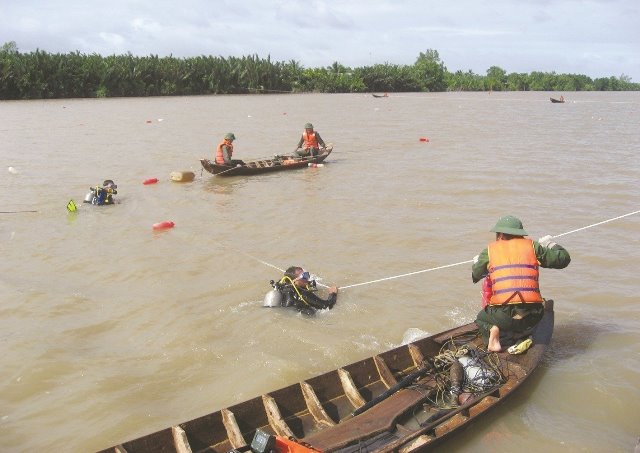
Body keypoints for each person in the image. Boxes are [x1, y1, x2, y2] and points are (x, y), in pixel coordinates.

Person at [472, 215, 570, 352]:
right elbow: (563, 259)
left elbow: (475, 275)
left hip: (504, 316)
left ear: (500, 235)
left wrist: (477, 262)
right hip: (533, 315)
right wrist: (550, 244)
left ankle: (495, 334)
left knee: (481, 318)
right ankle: (521, 333)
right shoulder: (533, 247)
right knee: (531, 311)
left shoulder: (489, 251)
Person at [264, 266, 338, 315]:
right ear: (294, 281)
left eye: (307, 274)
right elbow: (327, 306)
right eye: (304, 276)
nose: (307, 278)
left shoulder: (282, 286)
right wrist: (333, 293)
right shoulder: (303, 293)